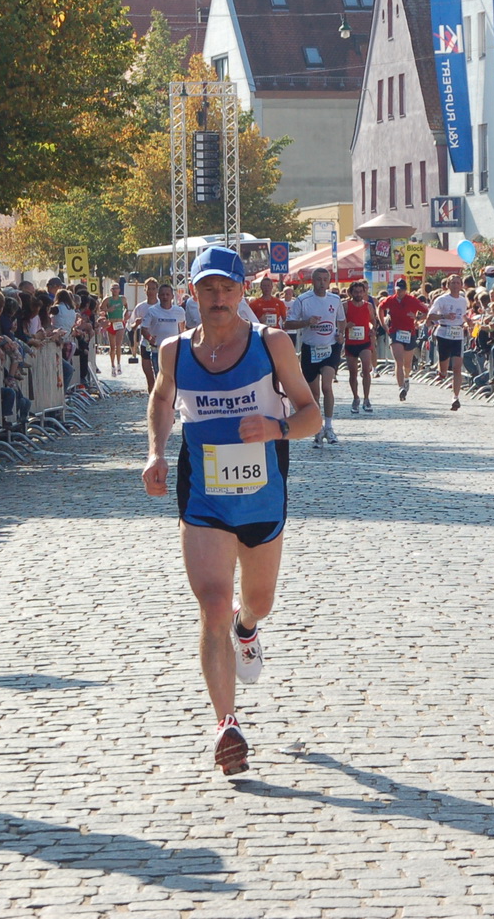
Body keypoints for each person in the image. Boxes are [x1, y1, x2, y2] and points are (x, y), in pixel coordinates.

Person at [141, 246, 319, 775]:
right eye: (207, 289)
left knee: (255, 602)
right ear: (191, 293)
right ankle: (227, 724)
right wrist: (154, 451)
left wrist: (276, 427)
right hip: (204, 499)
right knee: (213, 604)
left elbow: (311, 413)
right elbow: (159, 399)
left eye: (227, 288)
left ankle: (249, 628)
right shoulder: (173, 351)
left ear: (243, 291)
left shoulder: (272, 344)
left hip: (263, 498)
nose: (217, 299)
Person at [287, 269, 344, 445]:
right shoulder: (303, 300)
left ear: (328, 282)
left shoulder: (335, 299)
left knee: (327, 387)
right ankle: (318, 429)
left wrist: (340, 333)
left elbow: (340, 319)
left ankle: (329, 427)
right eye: (318, 279)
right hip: (310, 349)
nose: (322, 283)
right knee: (314, 393)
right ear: (313, 281)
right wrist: (306, 322)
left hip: (330, 348)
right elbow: (288, 323)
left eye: (325, 280)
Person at [426, 273, 471, 411]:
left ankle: (455, 398)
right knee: (445, 368)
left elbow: (462, 314)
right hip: (444, 333)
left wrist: (467, 320)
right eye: (453, 283)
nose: (456, 285)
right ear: (448, 285)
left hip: (457, 334)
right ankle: (442, 373)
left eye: (458, 283)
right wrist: (444, 316)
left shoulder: (463, 300)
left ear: (461, 285)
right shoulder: (442, 299)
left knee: (457, 367)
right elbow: (430, 316)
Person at [379, 279, 426, 401]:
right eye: (398, 290)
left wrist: (417, 318)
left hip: (409, 333)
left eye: (402, 290)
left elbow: (427, 311)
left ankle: (406, 378)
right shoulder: (390, 300)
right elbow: (380, 308)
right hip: (395, 332)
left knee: (407, 364)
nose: (400, 292)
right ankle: (401, 388)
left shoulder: (412, 300)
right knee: (398, 361)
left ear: (406, 290)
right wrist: (384, 325)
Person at [342, 281, 381, 414]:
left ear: (364, 292)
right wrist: (346, 326)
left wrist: (372, 330)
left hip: (364, 342)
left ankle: (366, 398)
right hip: (351, 343)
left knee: (366, 370)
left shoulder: (368, 306)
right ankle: (355, 398)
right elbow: (339, 322)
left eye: (361, 292)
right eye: (356, 292)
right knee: (353, 373)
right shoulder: (345, 306)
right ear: (351, 293)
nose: (358, 294)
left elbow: (372, 320)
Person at [100, 283, 128, 377]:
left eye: (117, 288)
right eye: (113, 289)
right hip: (111, 323)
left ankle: (119, 364)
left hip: (120, 323)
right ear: (111, 290)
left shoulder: (123, 299)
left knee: (118, 344)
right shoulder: (107, 300)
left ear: (119, 290)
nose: (115, 290)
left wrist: (126, 314)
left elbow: (127, 307)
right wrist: (108, 310)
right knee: (112, 347)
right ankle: (112, 366)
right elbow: (100, 309)